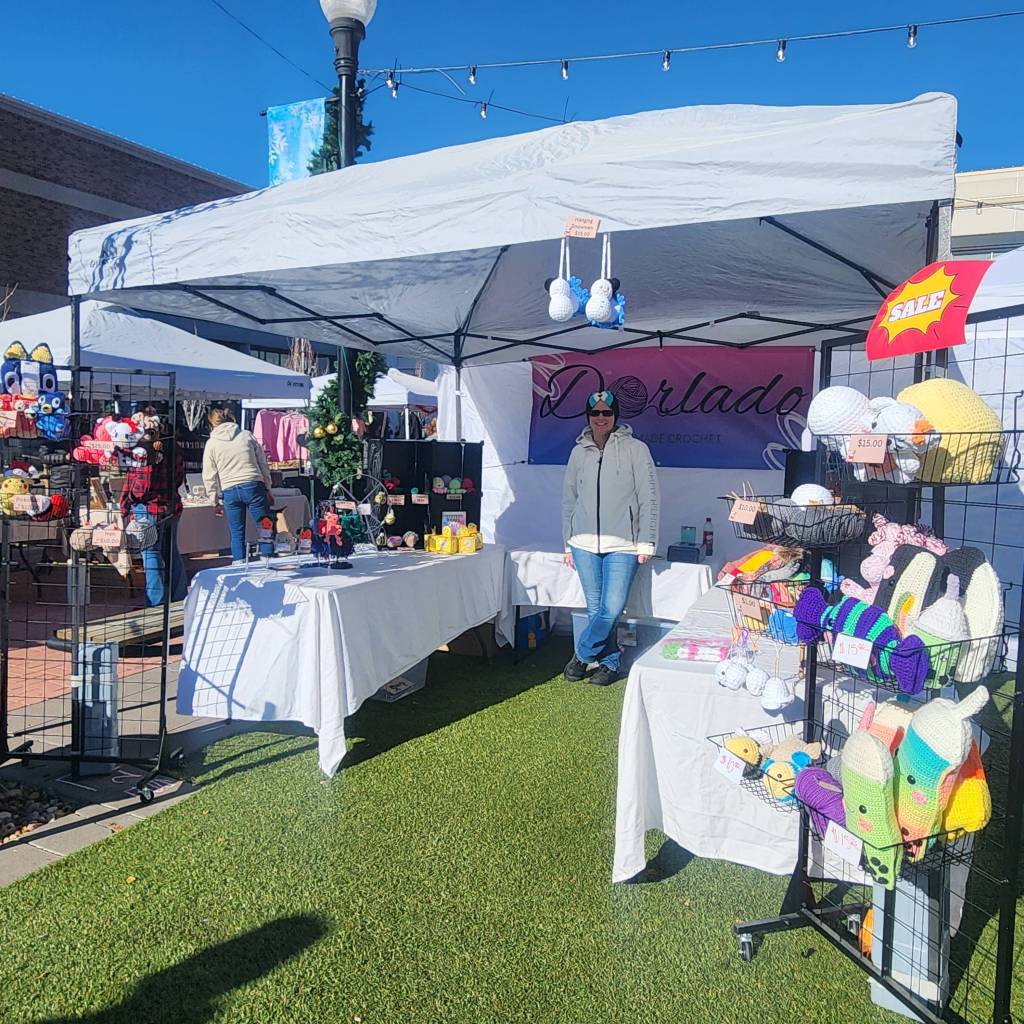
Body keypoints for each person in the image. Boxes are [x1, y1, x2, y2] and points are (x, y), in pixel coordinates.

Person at [561, 390, 660, 686]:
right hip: (583, 544)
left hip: (624, 544)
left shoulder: (636, 449)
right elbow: (569, 499)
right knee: (597, 610)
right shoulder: (578, 452)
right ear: (588, 416)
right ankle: (611, 664)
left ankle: (581, 656)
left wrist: (646, 541)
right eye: (595, 413)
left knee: (612, 608)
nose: (601, 418)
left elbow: (649, 497)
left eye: (607, 412)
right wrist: (567, 542)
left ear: (616, 415)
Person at [120, 420, 187, 608]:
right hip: (171, 506)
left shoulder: (145, 452)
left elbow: (142, 486)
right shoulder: (175, 449)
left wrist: (129, 499)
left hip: (149, 508)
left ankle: (155, 601)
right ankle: (179, 596)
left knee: (151, 553)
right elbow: (179, 479)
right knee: (171, 551)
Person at [201, 406, 275, 562]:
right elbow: (262, 463)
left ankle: (238, 564)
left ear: (212, 424)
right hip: (253, 484)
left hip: (229, 489)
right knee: (264, 527)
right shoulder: (246, 435)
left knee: (236, 532)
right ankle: (267, 560)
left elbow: (209, 475)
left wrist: (214, 501)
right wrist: (268, 487)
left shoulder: (211, 443)